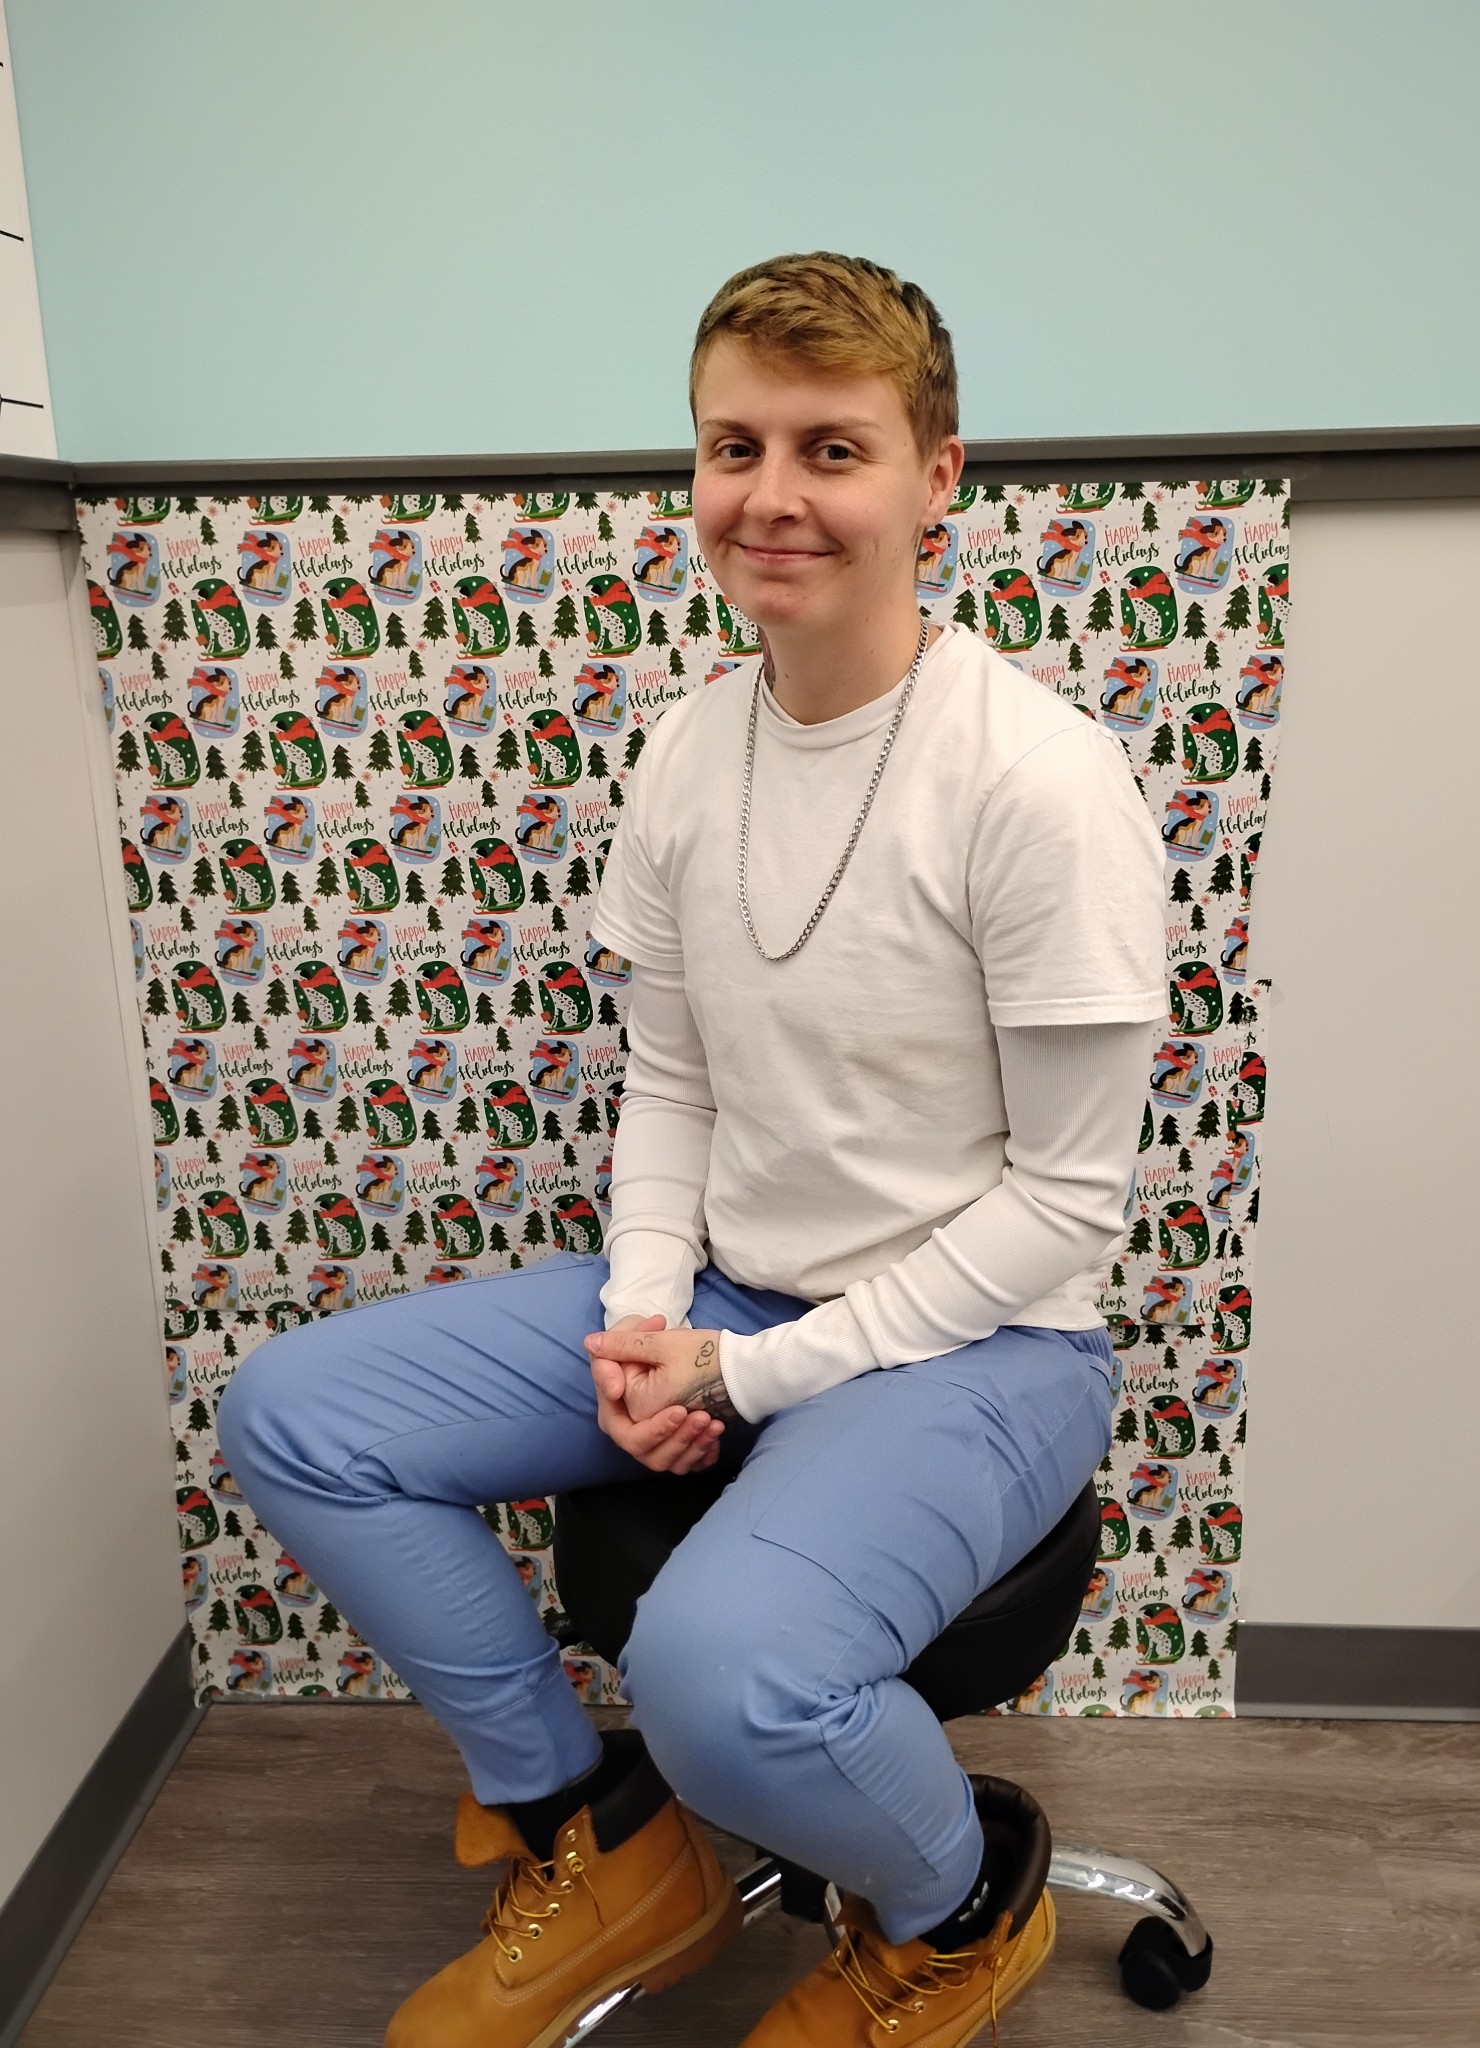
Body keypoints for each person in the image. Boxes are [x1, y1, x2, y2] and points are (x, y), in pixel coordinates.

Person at [217, 250, 1166, 2048]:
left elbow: (1064, 1204)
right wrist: (646, 1321)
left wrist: (748, 1377)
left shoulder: (1039, 782)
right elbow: (672, 1078)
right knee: (299, 1417)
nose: (771, 495)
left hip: (985, 1345)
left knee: (717, 1673)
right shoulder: (686, 749)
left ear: (936, 478)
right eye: (736, 446)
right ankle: (591, 1828)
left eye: (831, 449)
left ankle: (958, 1908)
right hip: (730, 1288)